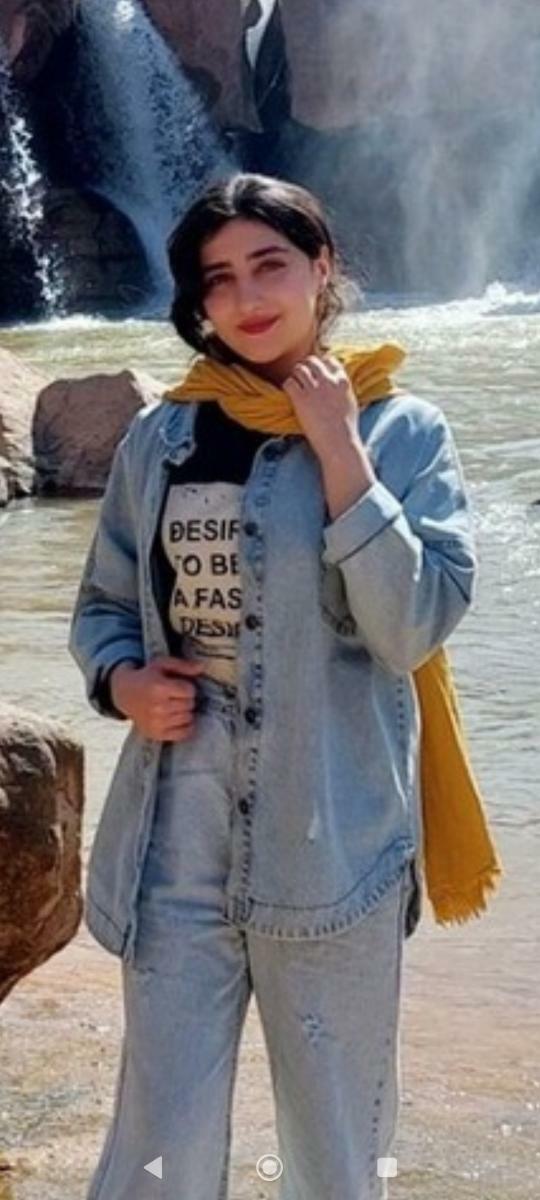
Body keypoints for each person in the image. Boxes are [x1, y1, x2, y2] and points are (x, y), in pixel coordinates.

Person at [68, 172, 477, 1200]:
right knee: (157, 1144)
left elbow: (412, 626)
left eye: (270, 265)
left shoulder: (403, 431)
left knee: (338, 1151)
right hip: (175, 841)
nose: (247, 297)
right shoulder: (161, 438)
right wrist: (122, 682)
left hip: (334, 843)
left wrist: (339, 449)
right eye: (219, 278)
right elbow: (106, 603)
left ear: (321, 269)